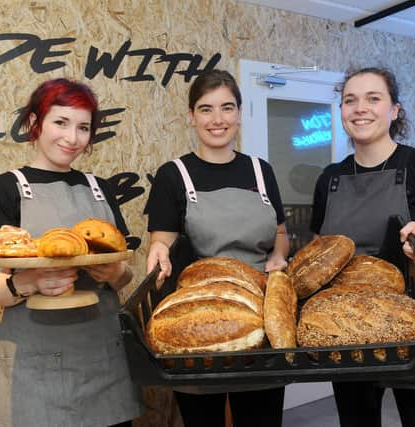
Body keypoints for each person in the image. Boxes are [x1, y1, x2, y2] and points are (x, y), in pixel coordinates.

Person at [0, 78, 142, 427]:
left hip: (103, 364)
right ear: (35, 123)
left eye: (83, 127)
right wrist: (30, 281)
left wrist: (114, 275)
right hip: (34, 371)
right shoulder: (3, 190)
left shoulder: (101, 190)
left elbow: (124, 273)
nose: (72, 138)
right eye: (60, 122)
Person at [310, 66, 415, 427]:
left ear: (394, 110)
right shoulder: (329, 179)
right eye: (350, 100)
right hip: (349, 332)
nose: (360, 108)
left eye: (373, 98)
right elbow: (321, 253)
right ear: (342, 111)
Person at [144, 69, 290, 426]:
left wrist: (279, 255)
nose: (218, 119)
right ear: (191, 116)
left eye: (227, 107)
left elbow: (280, 232)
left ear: (240, 114)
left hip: (259, 314)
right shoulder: (173, 175)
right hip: (199, 320)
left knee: (262, 418)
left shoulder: (261, 171)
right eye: (206, 109)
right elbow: (161, 240)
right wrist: (158, 252)